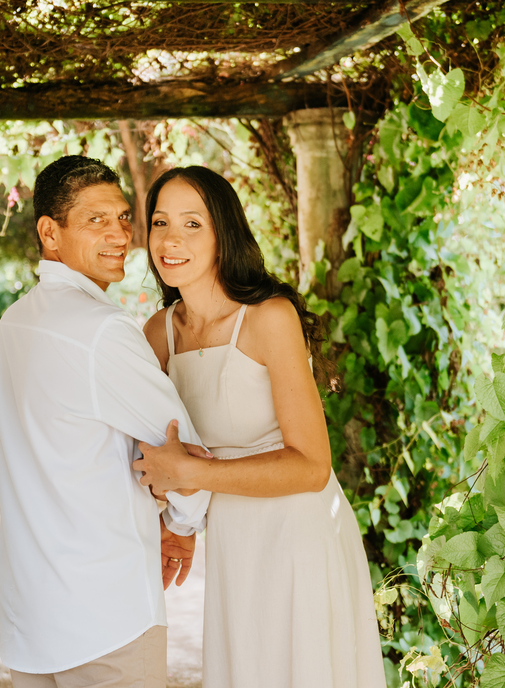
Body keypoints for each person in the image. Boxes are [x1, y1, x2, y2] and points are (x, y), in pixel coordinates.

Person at [133, 165, 386, 688]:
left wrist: (193, 475)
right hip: (231, 539)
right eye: (160, 222)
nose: (171, 239)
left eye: (192, 223)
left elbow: (312, 467)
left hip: (297, 533)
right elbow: (163, 446)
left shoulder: (269, 317)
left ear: (223, 235)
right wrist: (179, 525)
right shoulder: (159, 333)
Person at [0, 155, 211, 688]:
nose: (120, 234)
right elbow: (184, 456)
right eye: (96, 220)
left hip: (29, 615)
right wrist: (181, 526)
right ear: (50, 233)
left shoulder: (12, 324)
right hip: (107, 615)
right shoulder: (102, 329)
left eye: (124, 217)